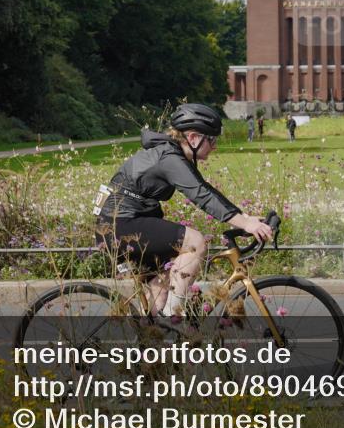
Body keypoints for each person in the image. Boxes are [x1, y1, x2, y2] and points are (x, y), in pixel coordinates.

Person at [94, 103, 272, 317]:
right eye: (212, 139)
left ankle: (153, 341)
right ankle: (174, 317)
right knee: (195, 243)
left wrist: (245, 218)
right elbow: (201, 195)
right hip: (120, 225)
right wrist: (246, 224)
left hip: (122, 222)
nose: (215, 146)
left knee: (160, 293)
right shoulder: (170, 158)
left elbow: (206, 189)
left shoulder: (172, 153)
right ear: (194, 138)